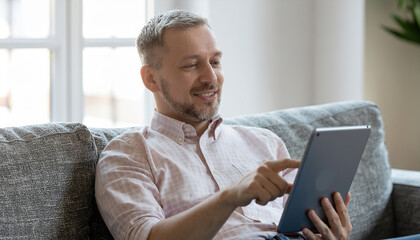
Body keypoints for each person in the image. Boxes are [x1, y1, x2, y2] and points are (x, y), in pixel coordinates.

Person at [95, 9, 353, 240]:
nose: (211, 78)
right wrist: (230, 196)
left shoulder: (265, 142)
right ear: (150, 79)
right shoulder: (128, 154)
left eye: (215, 62)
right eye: (191, 65)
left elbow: (304, 226)